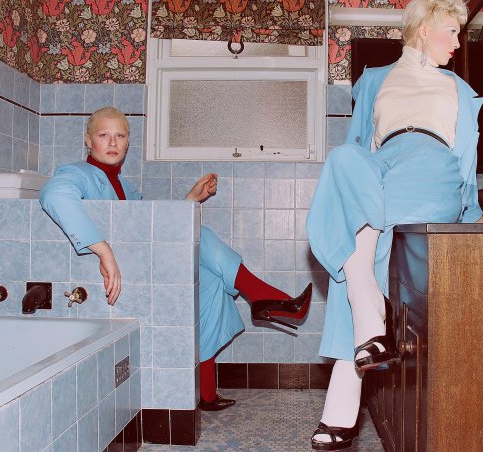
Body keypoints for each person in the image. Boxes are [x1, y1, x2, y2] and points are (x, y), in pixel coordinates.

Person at [305, 0, 483, 449]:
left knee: (358, 251)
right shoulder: (375, 79)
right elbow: (358, 144)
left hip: (432, 170)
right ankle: (370, 317)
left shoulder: (459, 91)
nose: (457, 42)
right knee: (341, 160)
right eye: (451, 31)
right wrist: (358, 191)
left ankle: (344, 396)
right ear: (423, 29)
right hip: (382, 163)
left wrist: (471, 214)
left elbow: (465, 163)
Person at [40, 107, 312, 412]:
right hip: (114, 275)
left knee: (210, 283)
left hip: (139, 265)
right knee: (201, 234)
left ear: (128, 142)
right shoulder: (77, 173)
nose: (113, 142)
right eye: (104, 135)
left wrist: (191, 199)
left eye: (120, 136)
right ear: (88, 140)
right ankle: (263, 296)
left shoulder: (125, 187)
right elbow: (53, 195)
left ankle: (205, 392)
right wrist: (103, 250)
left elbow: (154, 230)